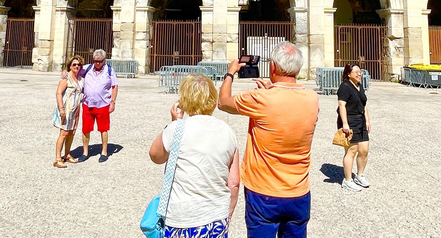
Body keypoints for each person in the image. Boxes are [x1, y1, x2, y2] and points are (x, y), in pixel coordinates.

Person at [218, 41, 319, 238]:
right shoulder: (312, 98)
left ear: (273, 66)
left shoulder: (261, 99)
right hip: (298, 191)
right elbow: (287, 106)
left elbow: (223, 102)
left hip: (263, 191)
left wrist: (230, 73)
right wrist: (272, 89)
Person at [149, 74, 240, 237]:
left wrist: (172, 123)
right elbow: (234, 182)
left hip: (181, 217)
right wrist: (228, 214)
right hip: (216, 216)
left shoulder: (177, 128)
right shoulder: (228, 131)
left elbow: (155, 156)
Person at [337, 62, 370, 191]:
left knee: (364, 150)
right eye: (356, 72)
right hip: (349, 121)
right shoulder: (345, 87)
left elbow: (364, 104)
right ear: (349, 73)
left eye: (360, 72)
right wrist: (345, 124)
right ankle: (347, 179)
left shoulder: (359, 86)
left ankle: (359, 175)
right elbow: (342, 106)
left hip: (360, 120)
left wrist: (367, 120)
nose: (359, 74)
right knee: (351, 150)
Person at [80, 49, 118, 162]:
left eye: (99, 61)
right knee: (85, 129)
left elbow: (115, 86)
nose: (97, 63)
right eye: (95, 61)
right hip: (88, 104)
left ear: (104, 60)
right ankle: (85, 152)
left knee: (103, 129)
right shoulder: (87, 68)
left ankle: (104, 152)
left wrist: (113, 102)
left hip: (103, 104)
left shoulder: (109, 70)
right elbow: (74, 70)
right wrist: (64, 71)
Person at [52, 55, 85, 168]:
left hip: (75, 110)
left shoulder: (80, 79)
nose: (76, 66)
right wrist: (61, 108)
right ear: (70, 66)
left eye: (78, 64)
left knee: (71, 132)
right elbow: (58, 93)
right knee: (64, 133)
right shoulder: (66, 78)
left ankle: (67, 154)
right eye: (74, 64)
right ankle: (57, 158)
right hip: (66, 109)